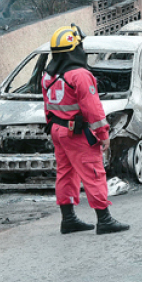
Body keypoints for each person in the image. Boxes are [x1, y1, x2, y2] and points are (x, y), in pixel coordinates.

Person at [42, 25, 129, 235]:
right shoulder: (80, 75)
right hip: (76, 133)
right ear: (75, 49)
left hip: (57, 130)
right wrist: (103, 134)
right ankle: (104, 220)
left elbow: (48, 107)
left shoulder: (48, 75)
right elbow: (93, 109)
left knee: (65, 174)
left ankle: (69, 219)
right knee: (93, 172)